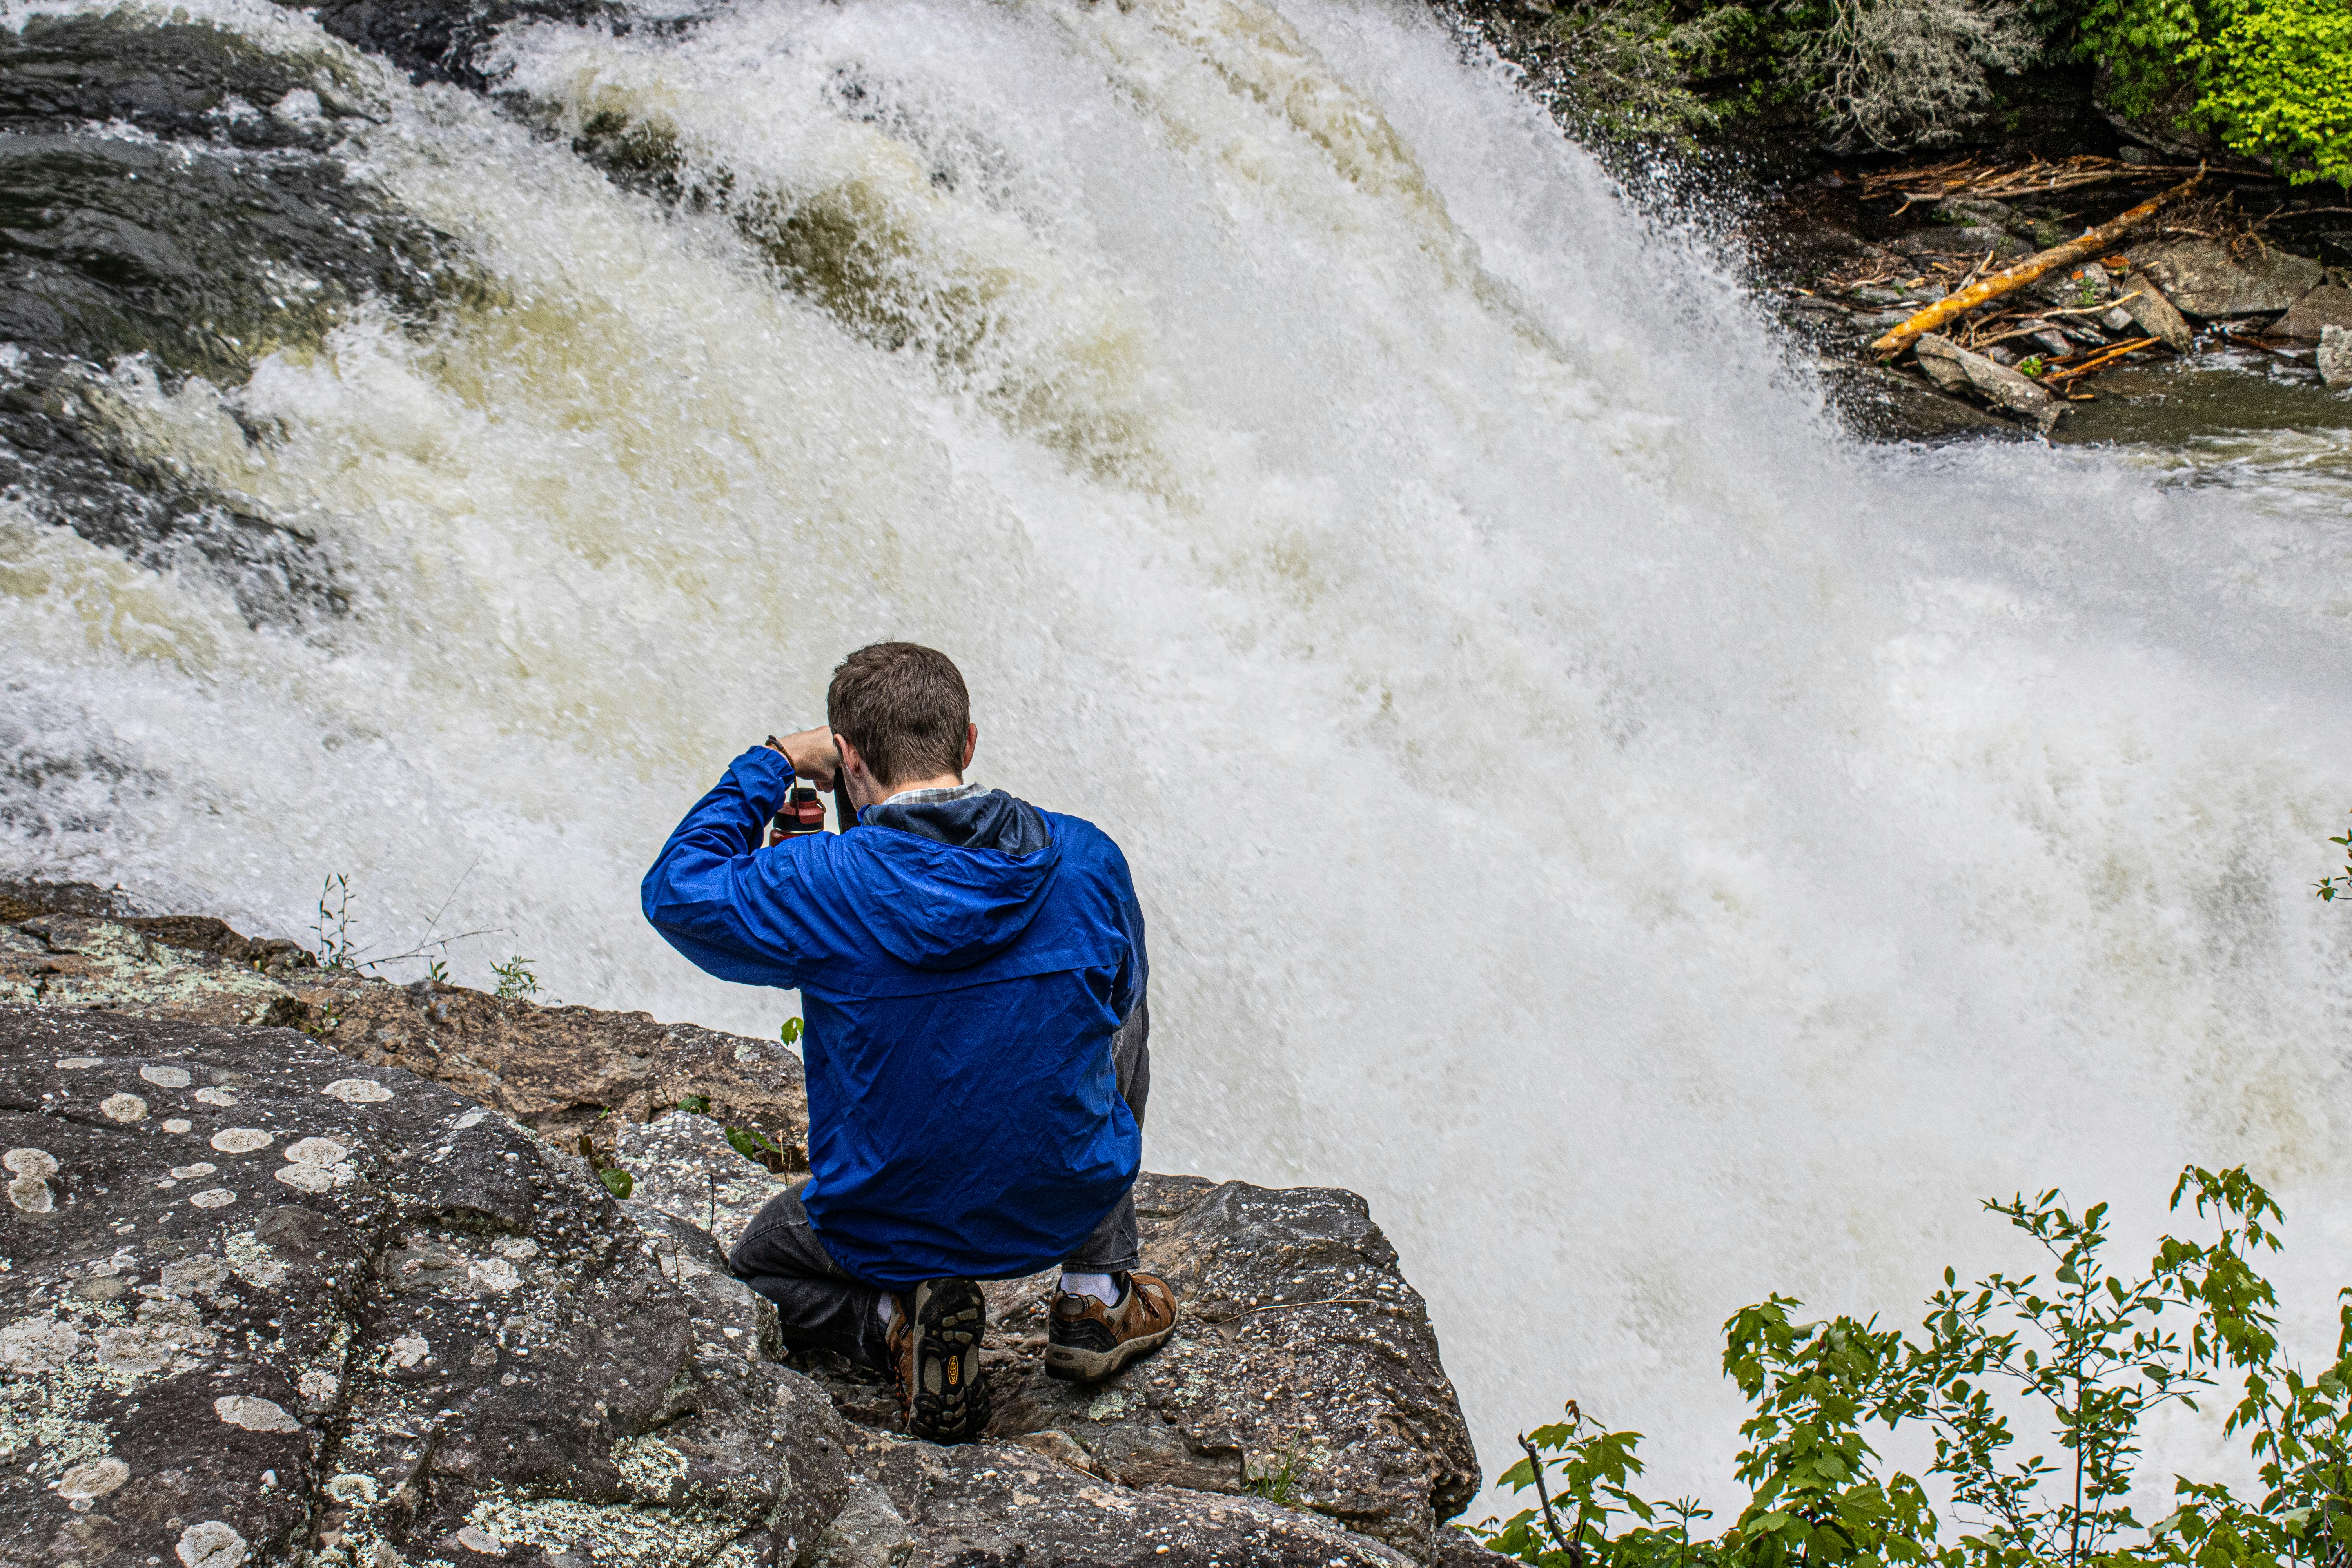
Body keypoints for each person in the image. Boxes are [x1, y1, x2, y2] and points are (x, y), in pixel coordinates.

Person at [639, 641, 1177, 1443]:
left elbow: (676, 889)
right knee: (1115, 996)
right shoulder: (1086, 859)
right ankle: (1095, 1292)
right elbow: (1118, 1001)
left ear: (848, 760)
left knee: (756, 1268)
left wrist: (776, 759)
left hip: (884, 1223)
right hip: (1059, 1199)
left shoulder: (816, 883)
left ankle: (895, 1314)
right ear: (967, 743)